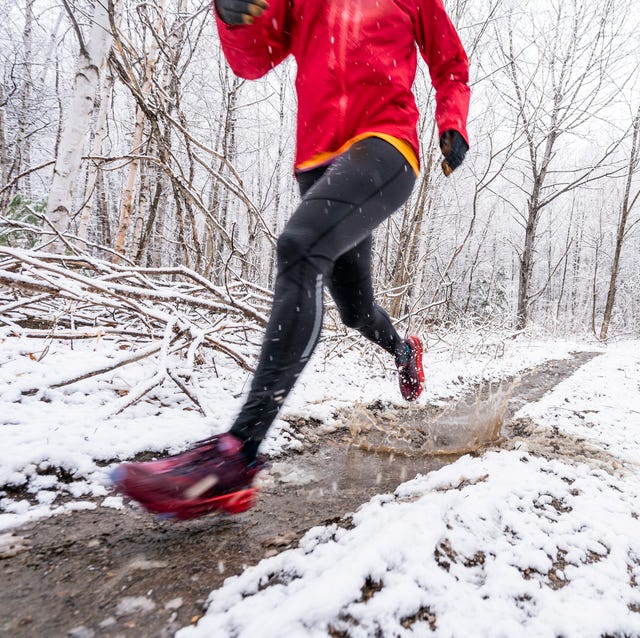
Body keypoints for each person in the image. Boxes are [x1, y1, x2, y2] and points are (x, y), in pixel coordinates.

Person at [111, 0, 470, 520]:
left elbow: (450, 63)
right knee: (355, 310)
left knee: (299, 247)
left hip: (386, 143)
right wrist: (235, 17)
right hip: (318, 161)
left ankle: (236, 457)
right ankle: (403, 350)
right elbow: (252, 61)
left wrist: (452, 119)